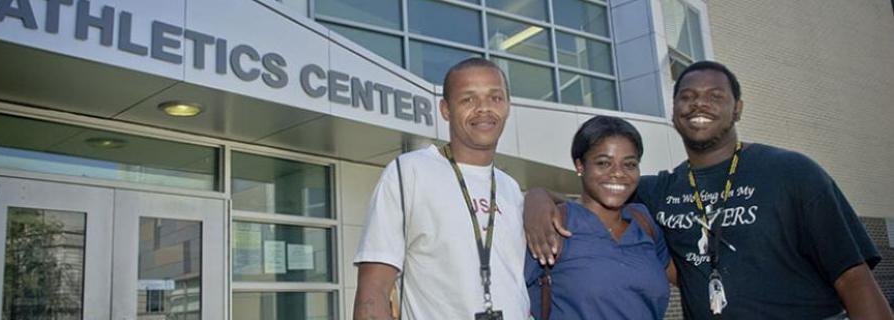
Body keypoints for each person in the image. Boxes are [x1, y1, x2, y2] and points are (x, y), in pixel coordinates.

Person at [523, 61, 893, 319]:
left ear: (738, 109)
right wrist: (537, 197)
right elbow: (597, 195)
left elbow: (854, 278)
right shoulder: (658, 191)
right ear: (673, 111)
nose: (698, 102)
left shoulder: (793, 172)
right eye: (687, 96)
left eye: (715, 95)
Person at [353, 57, 529, 320]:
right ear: (446, 109)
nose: (484, 108)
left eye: (495, 98)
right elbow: (373, 292)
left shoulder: (510, 188)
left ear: (507, 106)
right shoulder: (408, 173)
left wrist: (542, 197)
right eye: (468, 99)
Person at [524, 115, 673, 319]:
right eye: (603, 163)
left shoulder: (643, 222)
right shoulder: (555, 223)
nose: (618, 173)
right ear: (580, 166)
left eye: (629, 164)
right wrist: (535, 195)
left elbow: (690, 280)